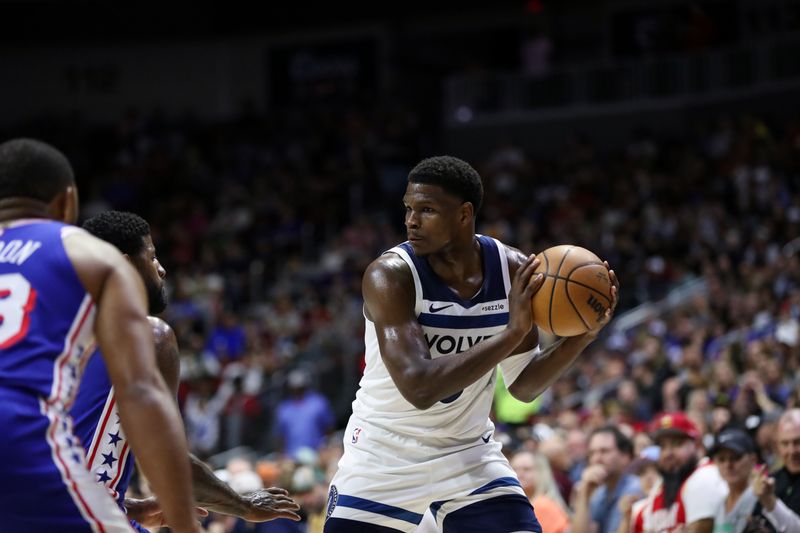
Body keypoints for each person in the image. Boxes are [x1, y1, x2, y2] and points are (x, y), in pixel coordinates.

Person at [324, 155, 619, 532]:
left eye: (426, 210)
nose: (411, 221)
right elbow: (420, 386)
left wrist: (584, 336)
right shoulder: (390, 275)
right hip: (384, 454)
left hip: (465, 452)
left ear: (464, 215)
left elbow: (523, 386)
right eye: (409, 209)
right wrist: (511, 333)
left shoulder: (513, 271)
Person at [0, 138, 200, 532]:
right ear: (66, 202)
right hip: (22, 431)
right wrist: (186, 525)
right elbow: (140, 394)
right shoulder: (86, 252)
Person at [71, 210, 301, 531]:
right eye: (152, 257)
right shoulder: (149, 336)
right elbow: (167, 462)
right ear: (123, 265)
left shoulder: (50, 336)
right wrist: (244, 505)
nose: (162, 269)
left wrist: (128, 507)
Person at [631, 412, 727, 533]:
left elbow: (702, 529)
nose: (668, 453)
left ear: (697, 445)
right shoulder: (661, 486)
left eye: (677, 444)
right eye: (662, 446)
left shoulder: (704, 476)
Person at [572, 425, 643, 533]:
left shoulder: (635, 489)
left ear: (625, 456)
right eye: (592, 453)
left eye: (604, 451)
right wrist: (584, 494)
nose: (597, 458)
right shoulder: (599, 493)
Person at [750, 408, 800, 531]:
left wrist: (771, 503)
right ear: (777, 446)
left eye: (798, 442)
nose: (791, 451)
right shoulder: (772, 481)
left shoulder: (768, 492)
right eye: (785, 443)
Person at [709, 428, 760, 533]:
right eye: (721, 459)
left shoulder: (760, 501)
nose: (728, 465)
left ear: (753, 460)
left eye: (736, 458)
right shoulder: (719, 505)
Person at [510, 450, 571, 533]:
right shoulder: (527, 504)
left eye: (526, 469)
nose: (519, 473)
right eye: (514, 469)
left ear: (541, 473)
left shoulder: (542, 505)